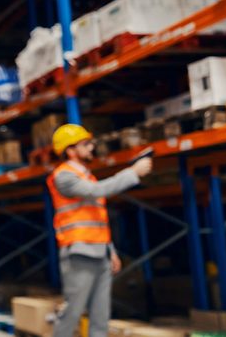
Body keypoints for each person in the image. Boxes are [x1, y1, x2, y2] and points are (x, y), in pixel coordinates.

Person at [47, 124, 153, 337]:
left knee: (101, 316)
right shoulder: (63, 177)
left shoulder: (88, 176)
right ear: (70, 150)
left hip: (100, 253)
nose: (91, 147)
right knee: (73, 312)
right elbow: (99, 190)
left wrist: (110, 251)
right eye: (85, 144)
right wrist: (133, 172)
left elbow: (98, 219)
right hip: (79, 253)